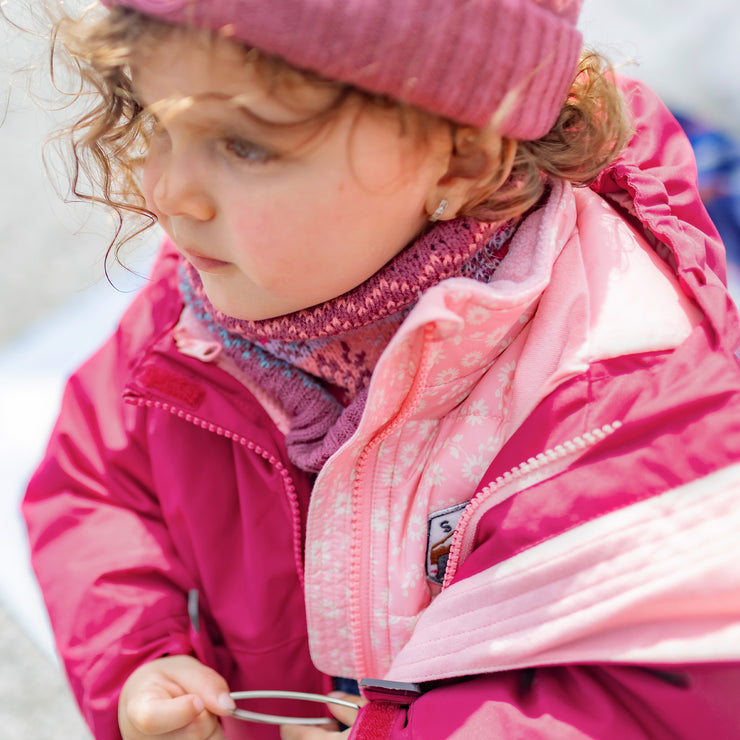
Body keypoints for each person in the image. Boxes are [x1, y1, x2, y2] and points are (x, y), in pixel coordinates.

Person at [20, 0, 740, 738]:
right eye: (159, 125)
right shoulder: (200, 315)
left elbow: (646, 695)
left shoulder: (616, 398)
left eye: (244, 147)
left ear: (463, 156)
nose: (166, 193)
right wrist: (138, 658)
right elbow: (94, 483)